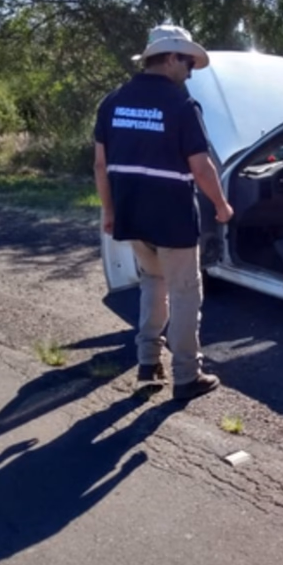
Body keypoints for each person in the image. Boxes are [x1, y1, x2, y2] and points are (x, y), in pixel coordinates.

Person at [93, 24, 234, 401]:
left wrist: (109, 211)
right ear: (171, 57)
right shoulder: (180, 105)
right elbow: (201, 167)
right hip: (172, 218)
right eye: (187, 63)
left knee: (153, 285)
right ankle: (187, 375)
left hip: (132, 214)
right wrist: (221, 205)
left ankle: (147, 364)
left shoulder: (113, 101)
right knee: (186, 293)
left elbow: (100, 164)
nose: (189, 72)